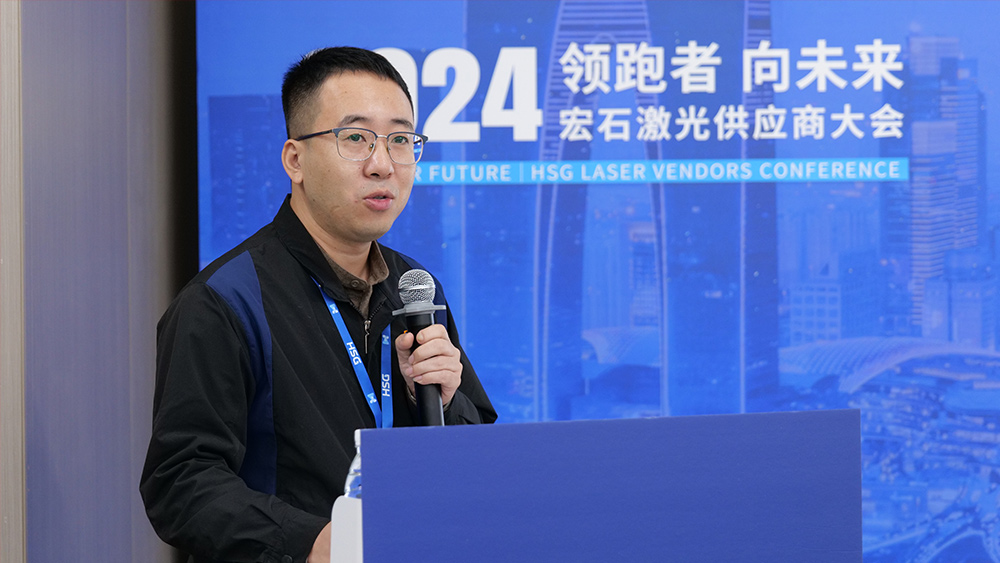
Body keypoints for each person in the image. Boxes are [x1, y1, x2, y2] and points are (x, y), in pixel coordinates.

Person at [140, 46, 496, 563]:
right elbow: (180, 482)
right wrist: (310, 540)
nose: (382, 165)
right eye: (355, 138)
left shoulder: (416, 288)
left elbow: (476, 455)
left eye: (400, 140)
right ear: (295, 160)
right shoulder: (225, 300)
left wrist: (444, 400)